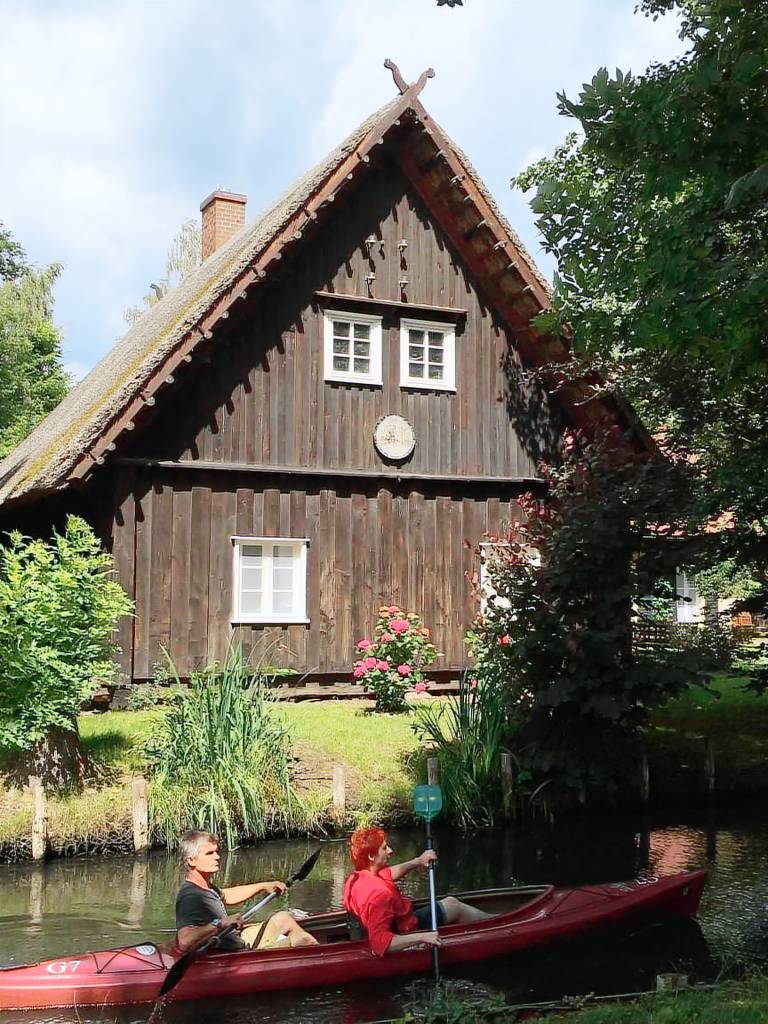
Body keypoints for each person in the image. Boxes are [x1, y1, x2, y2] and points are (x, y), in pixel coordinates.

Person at [342, 826, 494, 957]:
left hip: (393, 921)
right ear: (371, 856)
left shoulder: (356, 878)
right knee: (453, 905)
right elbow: (379, 942)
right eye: (384, 848)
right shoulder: (379, 895)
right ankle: (496, 924)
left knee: (450, 903)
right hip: (406, 927)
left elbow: (388, 873)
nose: (390, 850)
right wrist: (423, 937)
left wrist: (418, 861)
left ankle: (492, 920)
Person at [175, 829, 319, 953]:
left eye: (216, 852)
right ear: (191, 861)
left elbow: (226, 896)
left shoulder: (205, 887)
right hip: (232, 953)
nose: (217, 857)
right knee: (305, 942)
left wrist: (262, 886)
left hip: (235, 940)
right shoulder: (191, 896)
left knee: (284, 918)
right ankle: (320, 958)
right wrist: (221, 923)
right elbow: (185, 941)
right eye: (209, 853)